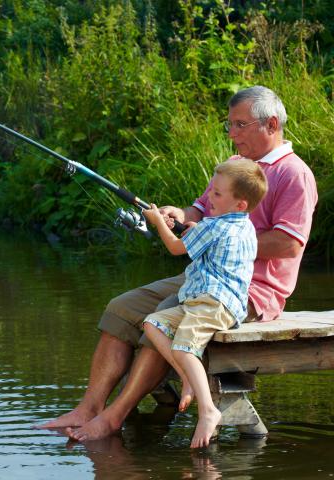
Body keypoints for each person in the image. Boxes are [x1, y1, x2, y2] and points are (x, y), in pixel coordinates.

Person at [37, 85, 318, 443]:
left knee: (168, 319)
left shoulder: (295, 175)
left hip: (250, 292)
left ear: (271, 124)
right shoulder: (234, 166)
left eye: (240, 124)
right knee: (121, 308)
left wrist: (219, 241)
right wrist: (177, 214)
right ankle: (88, 408)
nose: (231, 134)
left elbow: (290, 244)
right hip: (200, 279)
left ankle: (113, 417)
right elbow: (201, 210)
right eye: (228, 125)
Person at [141, 159, 268, 448]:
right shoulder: (245, 227)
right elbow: (215, 243)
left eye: (218, 194)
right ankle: (189, 377)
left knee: (183, 347)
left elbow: (175, 248)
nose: (209, 197)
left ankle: (208, 410)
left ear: (240, 203)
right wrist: (197, 229)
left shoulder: (212, 227)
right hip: (221, 305)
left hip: (211, 303)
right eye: (212, 191)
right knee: (153, 323)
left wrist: (159, 222)